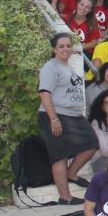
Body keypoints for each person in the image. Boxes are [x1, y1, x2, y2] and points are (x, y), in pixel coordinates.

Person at [38, 33, 98, 205]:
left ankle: (72, 173)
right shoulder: (51, 67)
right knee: (59, 155)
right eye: (61, 46)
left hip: (73, 116)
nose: (65, 49)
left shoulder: (68, 68)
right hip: (55, 115)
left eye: (68, 45)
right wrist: (54, 119)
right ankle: (65, 197)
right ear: (54, 49)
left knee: (92, 143)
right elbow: (44, 93)